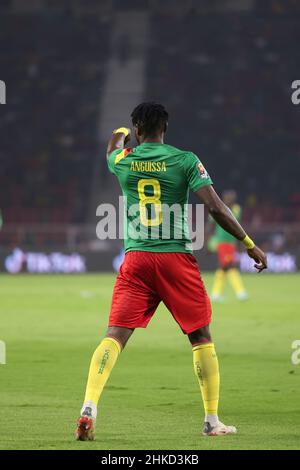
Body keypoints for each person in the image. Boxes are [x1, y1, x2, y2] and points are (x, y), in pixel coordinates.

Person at [76, 102, 267, 440]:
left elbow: (112, 147)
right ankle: (212, 421)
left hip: (136, 260)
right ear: (165, 129)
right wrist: (248, 242)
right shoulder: (185, 160)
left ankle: (88, 407)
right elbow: (215, 207)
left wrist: (120, 131)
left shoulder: (124, 160)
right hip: (175, 259)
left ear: (138, 129)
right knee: (201, 337)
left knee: (114, 335)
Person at [209, 190, 248, 302]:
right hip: (222, 242)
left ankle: (217, 293)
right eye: (228, 197)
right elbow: (210, 224)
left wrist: (240, 240)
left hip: (231, 242)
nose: (230, 199)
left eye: (231, 197)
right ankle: (239, 292)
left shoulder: (236, 209)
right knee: (227, 266)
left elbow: (237, 224)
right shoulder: (217, 208)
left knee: (226, 266)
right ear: (224, 198)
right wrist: (210, 241)